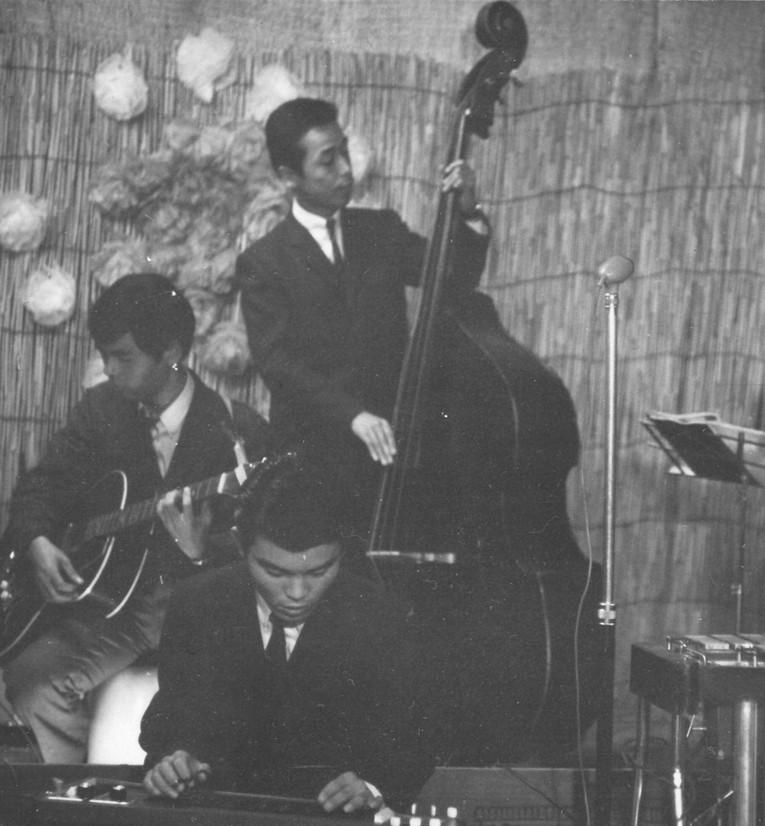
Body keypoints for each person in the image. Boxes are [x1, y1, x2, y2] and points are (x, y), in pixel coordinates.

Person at [2, 272, 267, 763]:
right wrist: (37, 539)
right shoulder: (102, 408)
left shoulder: (236, 430)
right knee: (29, 679)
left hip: (183, 604)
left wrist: (201, 552)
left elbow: (262, 548)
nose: (108, 369)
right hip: (103, 600)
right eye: (104, 355)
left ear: (172, 352)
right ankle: (63, 794)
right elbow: (44, 484)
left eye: (122, 357)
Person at [237, 96, 490, 537]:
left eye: (345, 152)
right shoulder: (265, 262)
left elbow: (454, 276)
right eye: (327, 160)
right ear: (288, 177)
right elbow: (277, 363)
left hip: (392, 451)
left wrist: (468, 211)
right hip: (314, 459)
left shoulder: (381, 230)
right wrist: (353, 415)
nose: (346, 170)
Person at [139, 453, 433, 814]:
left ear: (342, 551)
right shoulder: (197, 602)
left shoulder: (381, 618)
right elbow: (167, 723)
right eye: (275, 572)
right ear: (240, 545)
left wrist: (372, 786)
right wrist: (172, 762)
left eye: (319, 571)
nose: (297, 593)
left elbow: (411, 748)